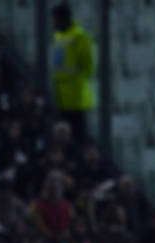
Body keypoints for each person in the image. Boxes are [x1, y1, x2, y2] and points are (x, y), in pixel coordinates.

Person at [51, 3, 95, 141]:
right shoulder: (58, 36)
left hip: (76, 97)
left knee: (77, 137)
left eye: (55, 19)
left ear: (64, 19)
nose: (53, 22)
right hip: (61, 95)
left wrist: (77, 81)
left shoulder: (80, 37)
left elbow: (88, 66)